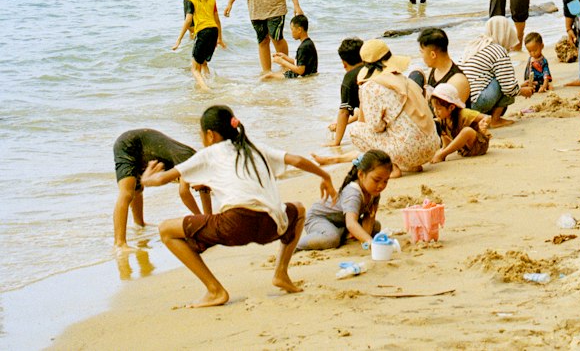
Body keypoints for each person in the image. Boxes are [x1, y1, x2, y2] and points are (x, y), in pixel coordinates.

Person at [140, 104, 333, 307]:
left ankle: (215, 290)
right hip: (273, 226)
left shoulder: (210, 153)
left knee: (166, 230)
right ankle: (281, 273)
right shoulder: (255, 147)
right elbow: (295, 159)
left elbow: (162, 179)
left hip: (236, 226)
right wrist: (325, 175)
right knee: (299, 209)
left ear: (210, 135)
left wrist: (146, 178)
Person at [325, 40, 439, 176]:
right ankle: (409, 165)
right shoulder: (402, 79)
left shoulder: (371, 86)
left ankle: (391, 167)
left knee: (355, 131)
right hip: (431, 147)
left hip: (410, 150)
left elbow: (375, 127)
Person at [112, 128, 203, 250]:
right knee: (127, 193)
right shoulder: (190, 163)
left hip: (145, 149)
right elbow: (184, 192)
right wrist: (201, 219)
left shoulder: (202, 170)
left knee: (137, 189)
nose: (197, 191)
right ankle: (119, 243)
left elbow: (204, 191)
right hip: (128, 144)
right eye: (199, 189)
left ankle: (139, 225)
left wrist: (206, 218)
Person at [297, 150, 392, 250]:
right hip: (318, 219)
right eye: (376, 180)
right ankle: (296, 244)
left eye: (386, 181)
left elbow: (369, 218)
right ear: (361, 175)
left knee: (375, 226)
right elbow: (351, 223)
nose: (381, 185)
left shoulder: (374, 192)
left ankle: (341, 234)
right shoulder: (353, 193)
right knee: (332, 239)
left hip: (341, 222)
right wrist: (370, 242)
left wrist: (366, 241)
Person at [459, 17, 528, 122]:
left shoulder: (475, 45)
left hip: (462, 104)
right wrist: (522, 91)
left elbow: (479, 78)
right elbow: (508, 87)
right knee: (503, 80)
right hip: (477, 102)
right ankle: (495, 120)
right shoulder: (498, 50)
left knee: (502, 78)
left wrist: (518, 87)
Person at [172, 0, 227, 89]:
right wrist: (220, 38)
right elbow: (217, 20)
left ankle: (206, 89)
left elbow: (188, 21)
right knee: (203, 63)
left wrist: (179, 40)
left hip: (203, 32)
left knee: (194, 69)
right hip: (213, 31)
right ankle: (212, 83)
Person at [429, 82, 492, 162]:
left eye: (439, 109)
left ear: (451, 107)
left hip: (478, 145)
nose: (435, 111)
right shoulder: (442, 120)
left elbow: (487, 117)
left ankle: (443, 154)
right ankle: (443, 153)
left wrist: (483, 123)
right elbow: (446, 141)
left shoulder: (464, 113)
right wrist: (443, 148)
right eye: (434, 108)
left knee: (467, 131)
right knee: (436, 123)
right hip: (464, 150)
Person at [410, 26, 470, 102]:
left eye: (422, 52)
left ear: (433, 55)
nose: (421, 56)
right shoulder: (433, 69)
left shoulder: (457, 82)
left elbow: (450, 113)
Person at [328, 38, 364, 147]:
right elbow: (363, 109)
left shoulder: (350, 78)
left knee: (355, 133)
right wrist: (339, 125)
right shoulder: (374, 67)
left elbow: (344, 112)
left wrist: (336, 142)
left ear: (344, 63)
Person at [274, 13, 318, 78]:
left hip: (303, 76)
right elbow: (301, 63)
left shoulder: (303, 47)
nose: (291, 32)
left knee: (269, 76)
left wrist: (282, 62)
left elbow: (300, 71)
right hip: (310, 74)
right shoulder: (309, 43)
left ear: (299, 30)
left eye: (292, 29)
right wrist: (285, 57)